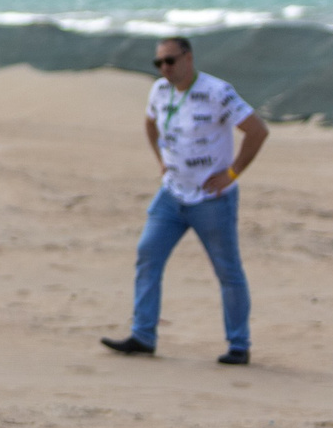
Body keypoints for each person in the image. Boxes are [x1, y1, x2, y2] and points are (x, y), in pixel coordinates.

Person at [101, 37, 268, 364]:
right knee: (148, 254)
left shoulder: (218, 92)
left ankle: (239, 345)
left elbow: (257, 131)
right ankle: (143, 335)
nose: (164, 68)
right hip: (171, 193)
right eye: (159, 63)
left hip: (211, 199)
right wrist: (160, 158)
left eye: (170, 61)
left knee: (227, 271)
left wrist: (232, 174)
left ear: (188, 58)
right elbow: (150, 124)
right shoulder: (159, 91)